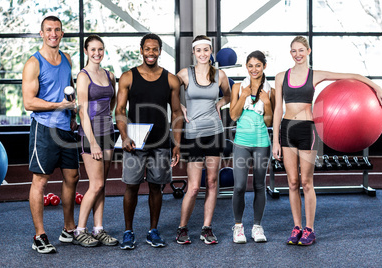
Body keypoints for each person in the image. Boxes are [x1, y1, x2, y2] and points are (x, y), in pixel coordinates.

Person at [272, 36, 382, 246]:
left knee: (306, 183)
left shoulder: (315, 75)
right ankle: (296, 227)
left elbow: (352, 75)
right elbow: (278, 108)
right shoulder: (281, 76)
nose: (297, 54)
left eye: (301, 50)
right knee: (292, 182)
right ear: (290, 53)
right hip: (288, 130)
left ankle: (310, 229)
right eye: (293, 51)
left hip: (307, 129)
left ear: (308, 52)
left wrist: (376, 87)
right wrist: (275, 141)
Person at [115, 33, 183, 249]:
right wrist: (124, 136)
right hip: (134, 143)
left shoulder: (171, 79)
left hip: (161, 143)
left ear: (160, 51)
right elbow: (119, 110)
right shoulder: (128, 77)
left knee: (156, 188)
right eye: (147, 49)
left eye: (155, 49)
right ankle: (128, 231)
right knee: (132, 187)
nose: (151, 53)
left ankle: (153, 231)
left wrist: (177, 143)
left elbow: (177, 112)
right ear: (141, 50)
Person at [22, 15, 79, 254]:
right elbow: (28, 102)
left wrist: (73, 115)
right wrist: (59, 107)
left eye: (57, 30)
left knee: (72, 177)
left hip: (66, 128)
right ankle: (39, 235)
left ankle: (68, 228)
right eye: (48, 30)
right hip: (44, 129)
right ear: (41, 33)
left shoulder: (67, 58)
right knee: (41, 181)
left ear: (62, 33)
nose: (53, 33)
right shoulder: (33, 63)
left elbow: (68, 91)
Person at [175, 35, 231, 245]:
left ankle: (207, 228)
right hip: (193, 133)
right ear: (193, 52)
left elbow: (228, 95)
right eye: (199, 50)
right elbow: (168, 92)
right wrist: (179, 107)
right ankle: (182, 228)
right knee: (194, 186)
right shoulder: (185, 74)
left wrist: (220, 104)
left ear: (211, 51)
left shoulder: (220, 74)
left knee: (212, 182)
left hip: (214, 132)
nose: (203, 54)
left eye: (206, 50)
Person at [72, 35, 118, 247]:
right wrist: (93, 142)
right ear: (86, 51)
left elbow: (113, 101)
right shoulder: (83, 76)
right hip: (90, 136)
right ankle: (79, 230)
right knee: (96, 183)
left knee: (102, 185)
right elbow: (82, 113)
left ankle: (98, 228)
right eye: (93, 49)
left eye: (100, 49)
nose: (97, 53)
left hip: (108, 132)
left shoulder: (109, 75)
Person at [229, 50, 274, 244]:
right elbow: (233, 116)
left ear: (264, 66)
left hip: (262, 144)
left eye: (258, 65)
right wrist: (243, 96)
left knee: (259, 186)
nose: (254, 69)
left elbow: (269, 120)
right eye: (250, 65)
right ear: (246, 67)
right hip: (242, 143)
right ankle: (238, 227)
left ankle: (257, 226)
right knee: (239, 187)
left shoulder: (269, 91)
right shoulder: (238, 87)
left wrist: (267, 103)